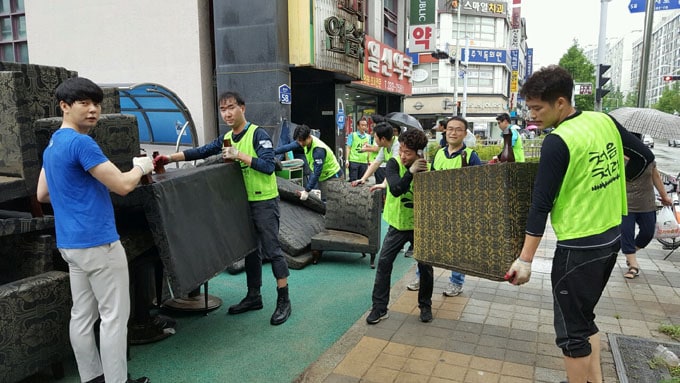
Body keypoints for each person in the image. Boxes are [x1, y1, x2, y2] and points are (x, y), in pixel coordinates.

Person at [504, 65, 654, 383]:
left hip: (578, 246)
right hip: (611, 236)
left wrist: (525, 260)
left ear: (560, 102)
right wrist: (611, 187)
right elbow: (642, 158)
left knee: (571, 335)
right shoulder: (604, 120)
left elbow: (540, 205)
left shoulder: (558, 141)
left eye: (537, 108)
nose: (532, 115)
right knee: (584, 319)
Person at [36, 77, 151, 383]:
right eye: (83, 103)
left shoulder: (53, 144)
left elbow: (42, 194)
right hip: (98, 243)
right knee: (114, 318)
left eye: (96, 103)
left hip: (71, 245)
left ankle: (92, 378)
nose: (93, 110)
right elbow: (124, 185)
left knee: (82, 316)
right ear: (64, 106)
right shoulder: (82, 143)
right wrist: (142, 167)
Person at [154, 91, 291, 325]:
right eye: (223, 109)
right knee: (250, 250)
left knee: (272, 250)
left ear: (242, 108)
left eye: (231, 108)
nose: (227, 113)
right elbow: (202, 151)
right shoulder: (227, 137)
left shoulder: (258, 134)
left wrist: (239, 155)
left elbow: (269, 166)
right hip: (241, 202)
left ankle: (284, 300)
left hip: (264, 201)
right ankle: (254, 296)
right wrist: (170, 158)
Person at [406, 116, 482, 297]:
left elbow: (479, 185)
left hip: (459, 212)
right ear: (445, 131)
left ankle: (456, 282)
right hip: (437, 210)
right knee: (428, 246)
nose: (453, 132)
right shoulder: (439, 154)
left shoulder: (471, 156)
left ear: (465, 133)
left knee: (458, 248)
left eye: (458, 129)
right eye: (450, 129)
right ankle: (421, 277)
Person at [366, 128, 434, 324]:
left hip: (420, 225)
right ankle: (379, 308)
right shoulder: (394, 163)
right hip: (397, 224)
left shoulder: (426, 167)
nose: (403, 156)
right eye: (401, 150)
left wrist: (425, 173)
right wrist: (410, 173)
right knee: (384, 264)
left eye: (408, 153)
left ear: (419, 153)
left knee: (425, 267)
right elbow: (395, 189)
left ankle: (425, 306)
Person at [621, 134, 673, 279]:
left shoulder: (648, 159)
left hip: (646, 203)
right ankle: (633, 265)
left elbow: (655, 176)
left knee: (647, 233)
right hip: (625, 204)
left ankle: (631, 253)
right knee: (627, 233)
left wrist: (664, 196)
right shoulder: (617, 158)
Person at [274, 124, 342, 200]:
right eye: (298, 141)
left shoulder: (318, 150)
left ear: (308, 137)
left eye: (301, 141)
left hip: (333, 176)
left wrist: (306, 191)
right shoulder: (304, 141)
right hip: (323, 176)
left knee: (332, 203)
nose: (300, 144)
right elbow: (288, 147)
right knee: (322, 200)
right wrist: (273, 152)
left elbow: (316, 172)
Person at [345, 117, 371, 182]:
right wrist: (347, 160)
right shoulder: (352, 135)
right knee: (353, 181)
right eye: (362, 125)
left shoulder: (368, 136)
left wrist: (369, 160)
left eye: (365, 125)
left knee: (362, 181)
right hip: (354, 161)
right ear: (358, 126)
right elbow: (348, 148)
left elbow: (369, 149)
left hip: (364, 162)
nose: (364, 127)